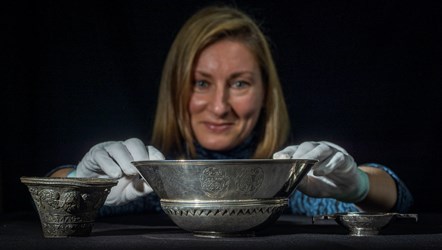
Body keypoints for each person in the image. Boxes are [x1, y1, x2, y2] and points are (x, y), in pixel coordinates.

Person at [49, 5, 413, 216]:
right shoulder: (143, 183)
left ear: (266, 94)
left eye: (239, 83)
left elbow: (397, 197)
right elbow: (51, 202)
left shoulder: (291, 181)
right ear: (176, 90)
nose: (220, 106)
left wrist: (359, 186)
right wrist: (80, 181)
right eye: (201, 83)